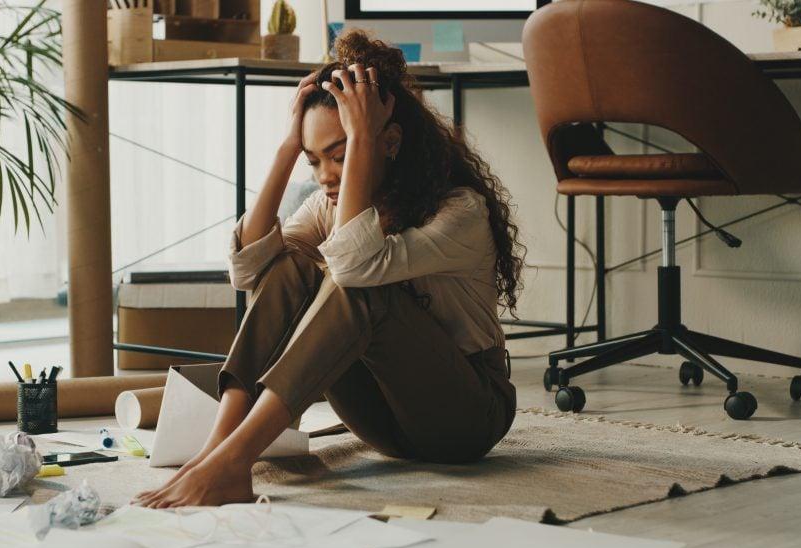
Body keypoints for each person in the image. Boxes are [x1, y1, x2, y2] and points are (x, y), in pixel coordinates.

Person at [135, 30, 525, 508]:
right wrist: (287, 147)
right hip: (384, 424)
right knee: (291, 268)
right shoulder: (328, 206)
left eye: (340, 155)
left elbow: (357, 269)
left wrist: (362, 137)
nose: (324, 177)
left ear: (390, 141)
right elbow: (250, 270)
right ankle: (217, 450)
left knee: (360, 285)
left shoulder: (459, 211)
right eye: (313, 161)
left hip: (466, 418)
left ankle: (234, 459)